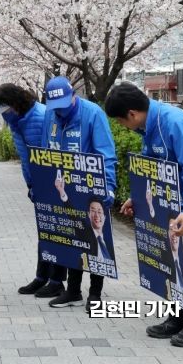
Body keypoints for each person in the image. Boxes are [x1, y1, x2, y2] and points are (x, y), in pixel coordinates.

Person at [105, 82, 183, 348]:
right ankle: (179, 317)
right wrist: (138, 197)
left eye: (120, 120)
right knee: (179, 265)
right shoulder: (148, 126)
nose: (121, 125)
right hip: (180, 205)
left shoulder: (176, 123)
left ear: (131, 113)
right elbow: (151, 168)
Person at [40, 76, 117, 312]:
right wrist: (41, 186)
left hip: (90, 186)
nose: (60, 112)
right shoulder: (50, 116)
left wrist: (109, 187)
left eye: (64, 105)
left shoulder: (92, 114)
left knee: (94, 239)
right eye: (56, 108)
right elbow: (44, 151)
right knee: (71, 239)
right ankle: (72, 290)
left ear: (73, 96)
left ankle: (95, 294)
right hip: (63, 187)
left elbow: (106, 154)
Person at [0, 83, 67, 298]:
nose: (3, 116)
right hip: (37, 183)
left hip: (54, 183)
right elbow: (26, 157)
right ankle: (42, 277)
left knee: (57, 231)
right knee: (45, 232)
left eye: (4, 110)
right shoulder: (16, 120)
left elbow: (53, 152)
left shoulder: (41, 117)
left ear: (15, 104)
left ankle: (56, 280)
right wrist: (31, 184)